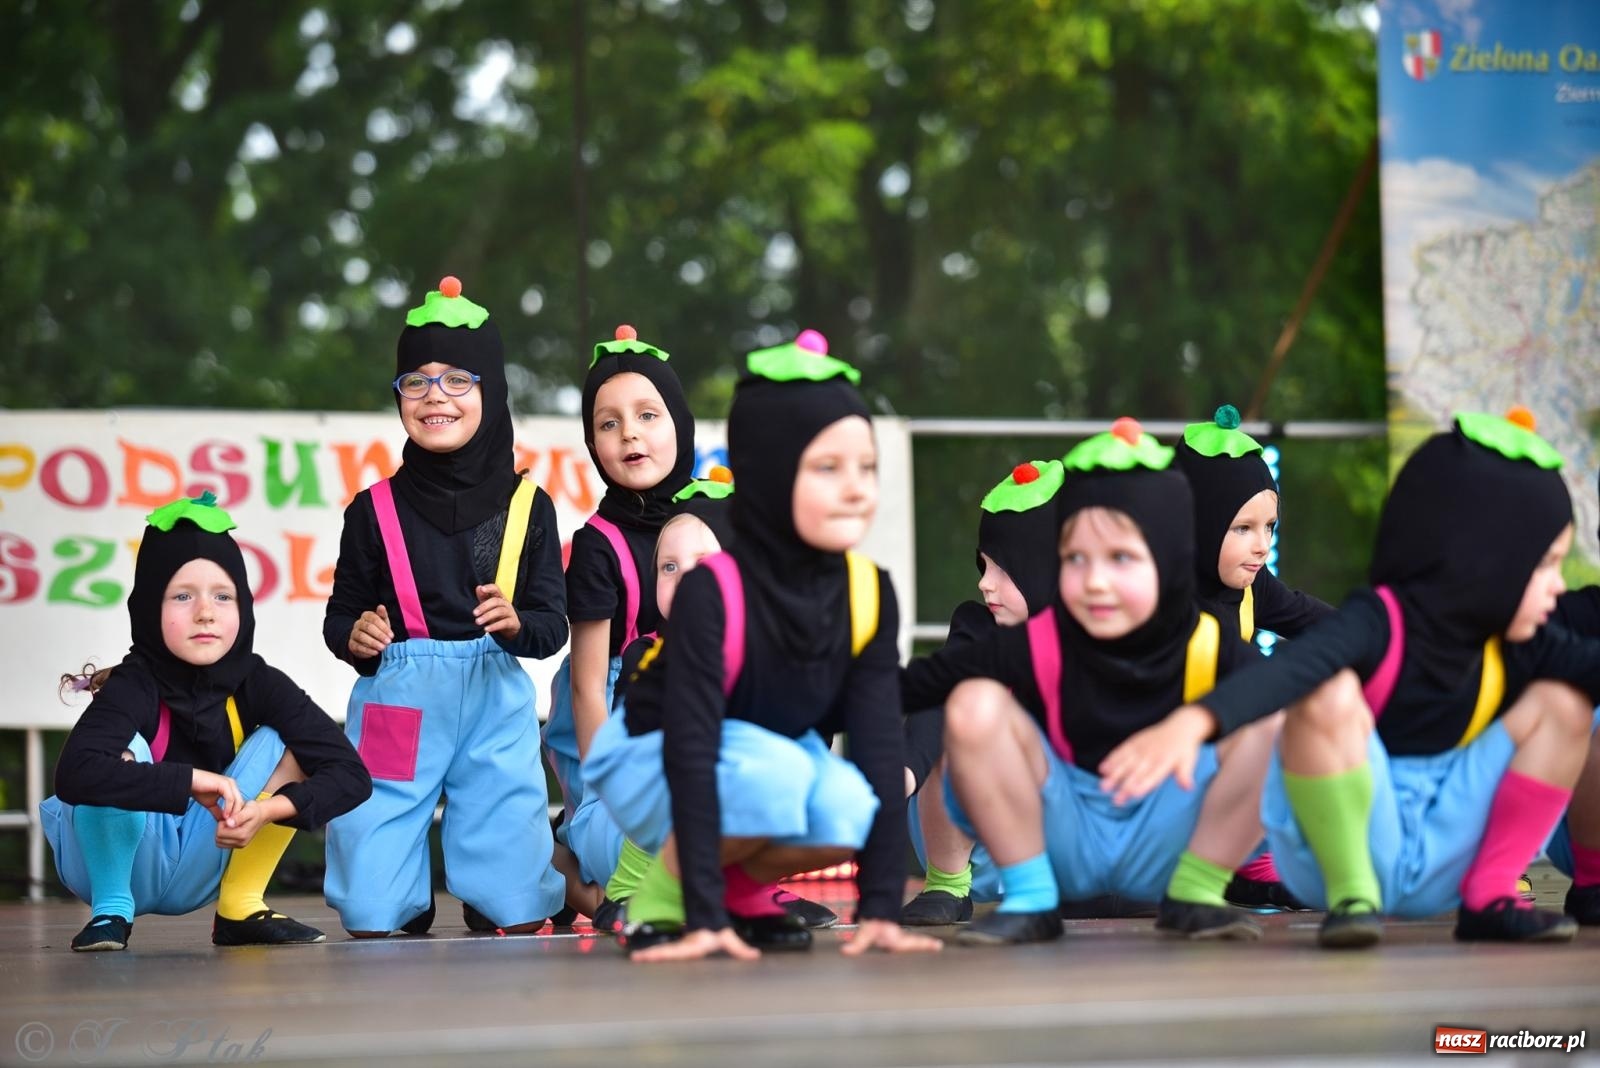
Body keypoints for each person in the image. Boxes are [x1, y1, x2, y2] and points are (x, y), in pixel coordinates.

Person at [1107, 409, 1599, 947]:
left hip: (1447, 858)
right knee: (1324, 688)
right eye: (1544, 565)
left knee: (1567, 703)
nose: (1558, 587)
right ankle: (1348, 896)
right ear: (1482, 559)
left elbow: (1310, 619)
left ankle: (1492, 891)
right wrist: (1193, 722)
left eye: (1268, 528)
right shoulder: (1378, 622)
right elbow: (1297, 666)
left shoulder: (1521, 643)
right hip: (1349, 843)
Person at [594, 329, 941, 961]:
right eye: (828, 468)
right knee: (780, 775)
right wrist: (700, 917)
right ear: (770, 477)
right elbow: (692, 753)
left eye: (866, 467)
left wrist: (883, 909)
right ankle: (668, 898)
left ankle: (742, 892)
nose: (858, 488)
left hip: (753, 761)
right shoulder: (715, 592)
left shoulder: (868, 591)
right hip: (648, 753)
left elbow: (879, 746)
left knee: (849, 803)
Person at [903, 418, 1279, 945]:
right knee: (969, 705)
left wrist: (1194, 723)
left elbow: (1288, 695)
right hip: (1054, 848)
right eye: (1078, 559)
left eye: (1120, 558)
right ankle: (1024, 900)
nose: (1098, 579)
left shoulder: (1200, 638)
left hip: (1157, 849)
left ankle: (1197, 892)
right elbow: (922, 691)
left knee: (1270, 720)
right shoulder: (1035, 639)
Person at [322, 276, 568, 936]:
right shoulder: (373, 511)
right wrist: (358, 634)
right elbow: (339, 618)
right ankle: (403, 895)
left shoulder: (527, 507)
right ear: (398, 396)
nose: (436, 396)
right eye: (417, 380)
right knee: (372, 914)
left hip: (495, 703)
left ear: (491, 390)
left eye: (458, 379)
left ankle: (494, 895)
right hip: (398, 705)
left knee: (518, 911)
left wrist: (519, 626)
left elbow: (552, 625)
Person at [43, 493, 371, 951]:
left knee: (287, 744)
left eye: (223, 595)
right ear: (148, 609)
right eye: (182, 595)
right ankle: (111, 911)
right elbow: (74, 774)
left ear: (245, 608)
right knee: (121, 753)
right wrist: (190, 781)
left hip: (214, 849)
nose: (205, 612)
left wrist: (265, 812)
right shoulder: (135, 683)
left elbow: (352, 776)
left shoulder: (259, 681)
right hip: (122, 863)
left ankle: (240, 906)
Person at [542, 324, 698, 932]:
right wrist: (610, 784)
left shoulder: (709, 519)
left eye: (647, 415)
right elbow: (586, 687)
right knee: (641, 842)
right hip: (611, 721)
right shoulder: (596, 545)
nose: (629, 432)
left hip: (691, 709)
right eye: (608, 423)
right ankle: (566, 860)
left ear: (680, 426)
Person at [1173, 403, 1332, 911]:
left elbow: (1322, 623)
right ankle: (1246, 859)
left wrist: (1392, 637)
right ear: (1196, 524)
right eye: (1243, 528)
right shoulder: (1163, 601)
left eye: (1270, 527)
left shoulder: (1251, 586)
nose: (1262, 545)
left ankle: (1259, 854)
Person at [901, 459, 1066, 925]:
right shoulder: (977, 629)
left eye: (1004, 570)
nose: (984, 583)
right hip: (976, 851)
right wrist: (906, 769)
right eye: (984, 565)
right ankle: (947, 885)